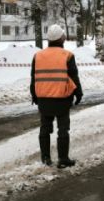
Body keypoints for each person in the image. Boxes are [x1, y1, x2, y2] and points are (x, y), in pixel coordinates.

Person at [30, 24, 83, 168]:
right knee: (63, 129)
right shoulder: (67, 55)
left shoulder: (38, 56)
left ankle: (46, 158)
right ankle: (63, 159)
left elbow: (34, 78)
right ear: (61, 38)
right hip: (62, 98)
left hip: (44, 99)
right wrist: (78, 93)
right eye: (63, 35)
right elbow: (74, 76)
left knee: (44, 129)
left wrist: (34, 96)